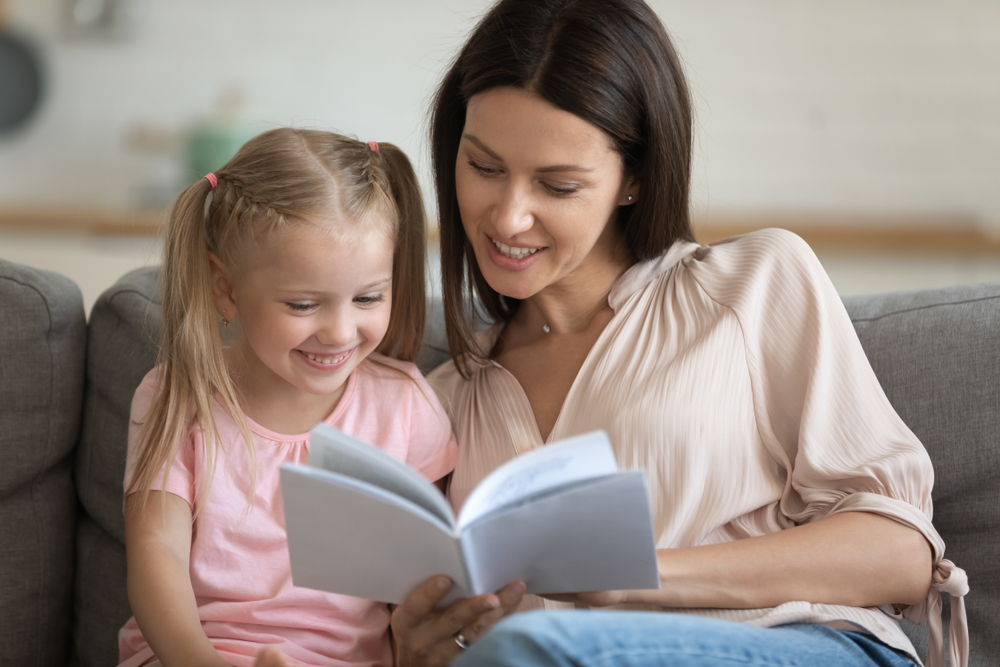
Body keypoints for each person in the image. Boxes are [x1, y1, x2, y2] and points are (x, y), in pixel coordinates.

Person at [388, 1, 970, 667]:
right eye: (485, 167)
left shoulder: (751, 286)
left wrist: (640, 573)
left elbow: (901, 552)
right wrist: (416, 650)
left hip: (799, 644)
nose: (509, 215)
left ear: (632, 179)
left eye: (558, 184)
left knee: (533, 646)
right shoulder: (442, 399)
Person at [119, 128, 457, 667]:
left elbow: (425, 576)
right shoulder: (177, 395)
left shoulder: (406, 407)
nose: (341, 332)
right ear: (225, 288)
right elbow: (156, 553)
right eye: (303, 305)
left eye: (368, 297)